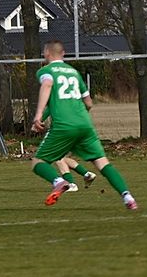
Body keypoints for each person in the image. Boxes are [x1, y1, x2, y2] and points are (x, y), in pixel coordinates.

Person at [30, 40, 136, 209]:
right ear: (63, 54)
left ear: (46, 53)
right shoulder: (74, 73)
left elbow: (47, 84)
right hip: (85, 124)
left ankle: (58, 181)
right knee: (102, 163)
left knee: (38, 162)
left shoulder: (46, 71)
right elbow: (88, 103)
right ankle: (127, 197)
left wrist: (38, 115)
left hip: (64, 125)